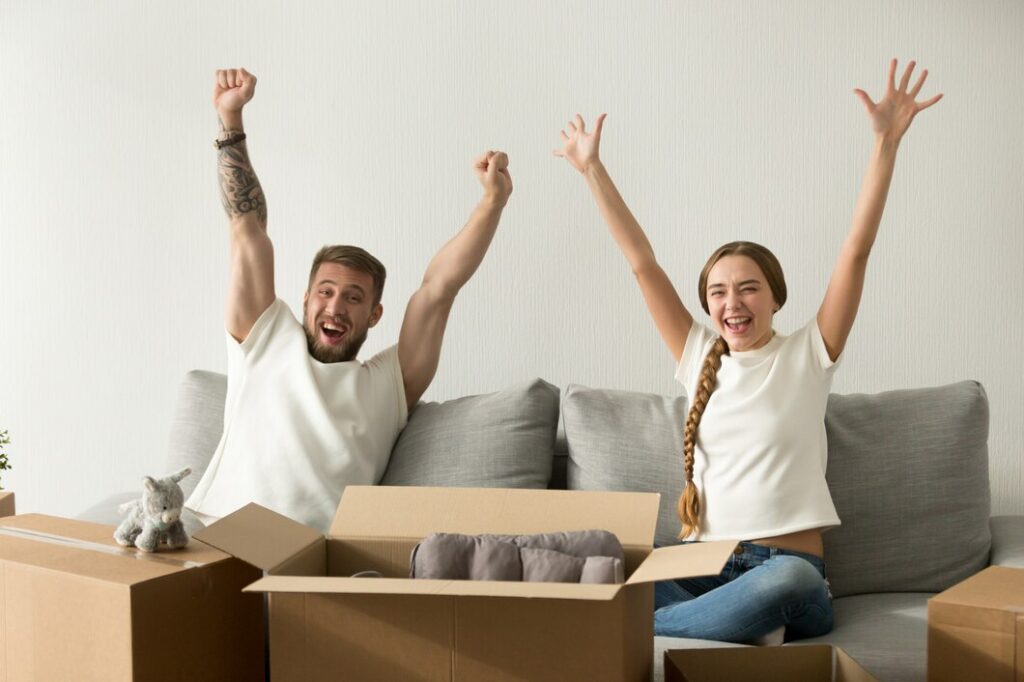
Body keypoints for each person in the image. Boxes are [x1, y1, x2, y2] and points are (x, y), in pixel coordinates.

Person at [554, 59, 941, 643]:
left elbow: (855, 251)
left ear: (775, 297)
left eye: (747, 287)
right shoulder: (697, 357)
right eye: (717, 291)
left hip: (790, 571)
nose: (731, 302)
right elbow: (642, 262)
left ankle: (634, 628)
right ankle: (712, 626)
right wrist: (591, 169)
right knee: (601, 564)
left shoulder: (810, 353)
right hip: (700, 568)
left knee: (781, 587)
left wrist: (885, 144)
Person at [186, 68, 513, 532]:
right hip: (216, 536)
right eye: (326, 292)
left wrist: (492, 202)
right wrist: (230, 119)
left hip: (305, 561)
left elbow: (439, 290)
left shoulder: (386, 387)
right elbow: (247, 231)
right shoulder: (264, 340)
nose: (335, 306)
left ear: (375, 314)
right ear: (304, 301)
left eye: (354, 298)